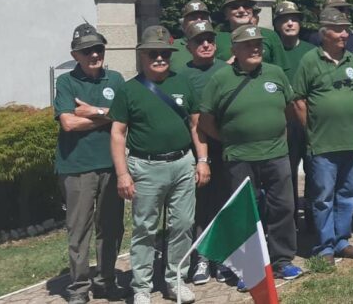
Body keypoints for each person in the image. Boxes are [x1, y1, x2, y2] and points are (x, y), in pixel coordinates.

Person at [198, 24, 306, 283]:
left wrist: (278, 132)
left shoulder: (276, 73)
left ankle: (282, 260)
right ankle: (248, 267)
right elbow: (205, 121)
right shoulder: (220, 79)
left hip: (276, 154)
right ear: (234, 49)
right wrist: (229, 139)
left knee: (283, 207)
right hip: (239, 157)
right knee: (243, 214)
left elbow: (290, 110)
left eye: (258, 44)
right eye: (247, 44)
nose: (255, 48)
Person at [108, 26, 207, 304]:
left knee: (183, 225)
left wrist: (202, 160)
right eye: (153, 53)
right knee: (144, 229)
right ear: (142, 55)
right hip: (146, 167)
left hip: (182, 163)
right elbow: (117, 133)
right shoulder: (128, 90)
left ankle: (176, 279)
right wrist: (122, 174)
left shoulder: (183, 82)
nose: (160, 58)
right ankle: (141, 286)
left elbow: (196, 124)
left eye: (164, 53)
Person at [54, 23, 127, 304]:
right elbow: (69, 123)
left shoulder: (116, 79)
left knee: (111, 227)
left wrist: (94, 111)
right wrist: (108, 116)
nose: (94, 54)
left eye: (98, 48)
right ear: (76, 54)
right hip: (76, 166)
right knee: (79, 230)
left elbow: (125, 115)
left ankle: (106, 281)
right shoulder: (66, 82)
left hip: (111, 165)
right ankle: (78, 288)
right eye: (87, 51)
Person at [293, 8, 353, 264]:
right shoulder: (309, 61)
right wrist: (311, 131)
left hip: (352, 141)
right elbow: (299, 100)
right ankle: (325, 246)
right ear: (324, 33)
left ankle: (342, 240)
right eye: (339, 29)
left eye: (346, 28)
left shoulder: (351, 60)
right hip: (322, 143)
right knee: (323, 197)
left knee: (349, 194)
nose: (345, 34)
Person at [179, 19, 229, 285]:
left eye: (210, 39)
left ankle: (222, 256)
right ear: (188, 46)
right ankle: (202, 257)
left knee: (224, 203)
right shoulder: (182, 76)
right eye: (199, 40)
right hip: (198, 150)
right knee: (201, 207)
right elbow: (191, 120)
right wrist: (202, 159)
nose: (206, 44)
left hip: (227, 148)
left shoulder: (226, 69)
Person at [272, 0, 319, 216]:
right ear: (277, 24)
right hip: (283, 122)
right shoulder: (272, 52)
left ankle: (312, 216)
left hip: (309, 119)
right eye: (284, 19)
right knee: (286, 173)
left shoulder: (312, 52)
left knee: (314, 170)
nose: (290, 23)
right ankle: (290, 218)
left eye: (294, 19)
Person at [214, 0, 286, 67]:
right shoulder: (216, 39)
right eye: (234, 7)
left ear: (252, 10)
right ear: (226, 14)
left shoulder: (270, 36)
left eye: (246, 6)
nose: (241, 10)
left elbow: (282, 71)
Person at [170, 0, 212, 70]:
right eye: (193, 17)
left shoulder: (223, 41)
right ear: (183, 23)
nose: (199, 20)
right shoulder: (172, 48)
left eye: (203, 17)